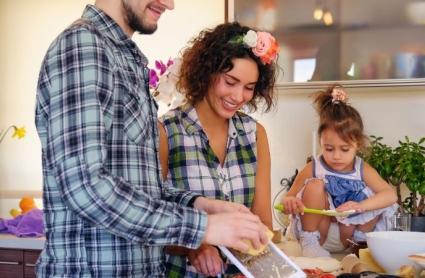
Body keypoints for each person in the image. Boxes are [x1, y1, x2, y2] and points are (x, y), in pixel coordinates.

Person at [34, 1, 269, 277]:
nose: (169, 4)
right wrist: (203, 228)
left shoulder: (124, 58)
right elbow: (85, 186)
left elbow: (144, 191)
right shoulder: (82, 46)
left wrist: (200, 205)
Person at [158, 22, 279, 277]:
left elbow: (262, 225)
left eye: (249, 87)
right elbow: (149, 221)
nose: (238, 96)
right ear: (207, 73)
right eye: (230, 81)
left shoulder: (255, 135)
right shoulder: (166, 132)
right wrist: (196, 245)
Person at [281, 84, 398, 258]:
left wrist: (360, 206)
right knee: (314, 185)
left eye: (344, 149)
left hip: (353, 238)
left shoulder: (361, 168)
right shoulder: (314, 166)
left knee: (375, 198)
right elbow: (287, 198)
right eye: (329, 148)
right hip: (321, 236)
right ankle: (309, 241)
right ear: (320, 141)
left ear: (357, 145)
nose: (336, 156)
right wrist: (289, 202)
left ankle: (360, 245)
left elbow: (391, 196)